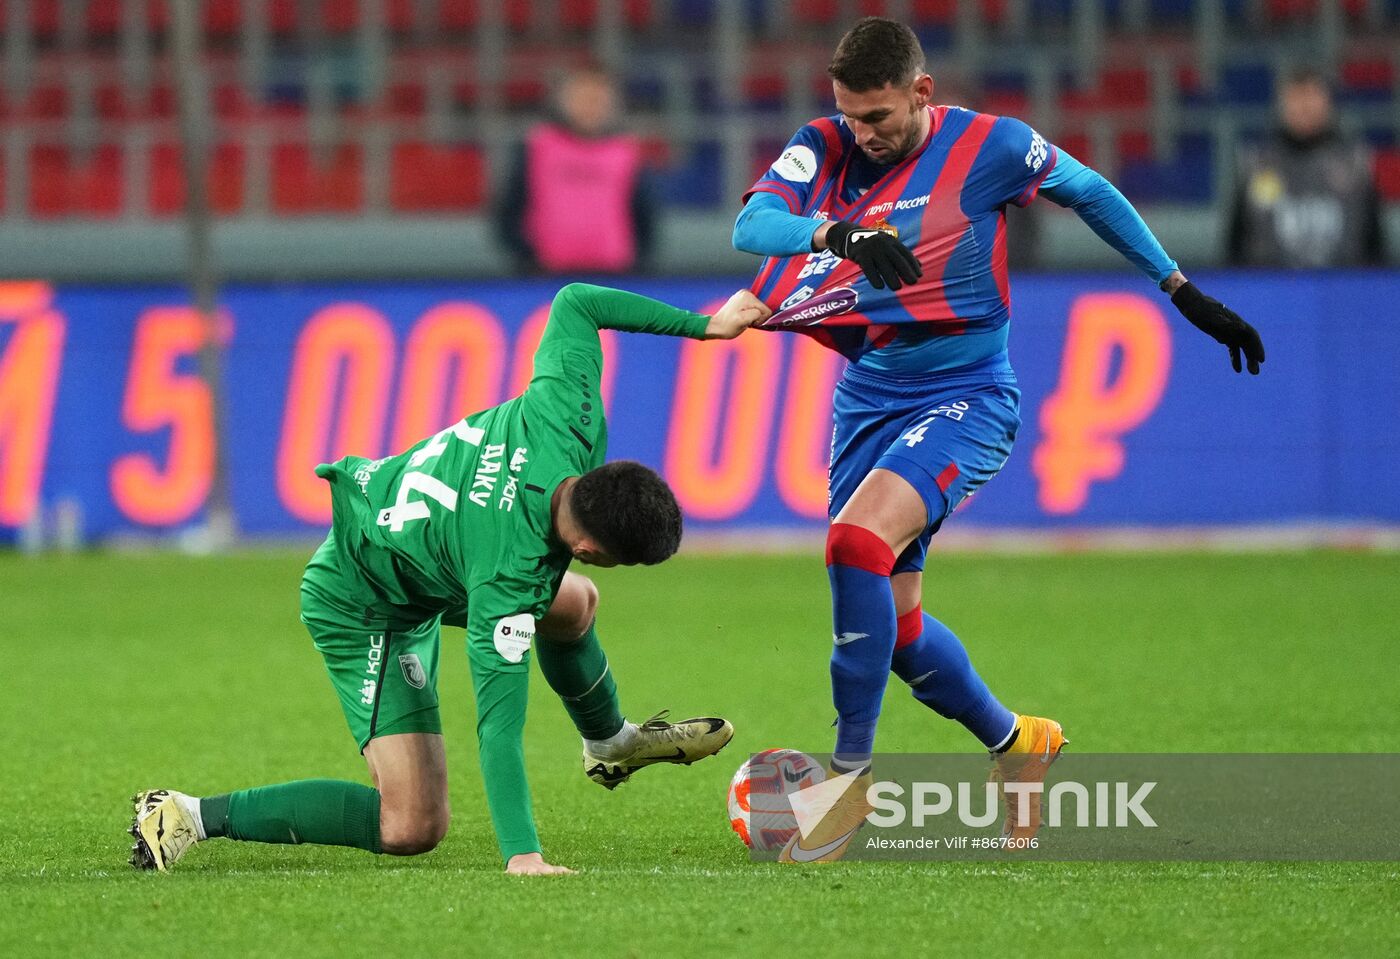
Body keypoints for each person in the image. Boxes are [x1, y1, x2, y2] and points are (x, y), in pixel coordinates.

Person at [732, 17, 1265, 862]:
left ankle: (847, 780)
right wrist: (833, 231)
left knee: (854, 543)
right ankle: (1020, 743)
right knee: (897, 632)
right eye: (849, 115)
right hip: (869, 394)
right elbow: (751, 228)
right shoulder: (823, 144)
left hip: (969, 392)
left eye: (877, 117)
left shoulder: (996, 148)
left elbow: (1090, 191)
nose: (861, 134)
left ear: (922, 92)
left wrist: (1178, 285)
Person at [129, 283, 772, 876]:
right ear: (588, 543)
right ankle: (186, 814)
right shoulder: (508, 581)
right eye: (619, 559)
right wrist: (524, 854)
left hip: (429, 553)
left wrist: (706, 326)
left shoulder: (566, 416)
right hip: (363, 600)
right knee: (413, 824)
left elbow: (578, 303)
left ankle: (611, 742)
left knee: (573, 603)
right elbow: (498, 728)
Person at [493, 66, 656, 274]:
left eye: (598, 100)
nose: (590, 107)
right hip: (546, 275)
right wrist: (526, 257)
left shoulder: (625, 153)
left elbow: (644, 215)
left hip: (613, 276)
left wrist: (639, 265)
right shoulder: (539, 147)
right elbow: (509, 208)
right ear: (563, 100)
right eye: (582, 98)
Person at [1226, 67, 1386, 268]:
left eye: (1311, 96)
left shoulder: (1355, 165)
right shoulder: (1256, 165)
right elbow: (1235, 243)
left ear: (1327, 102)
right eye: (1295, 98)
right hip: (1270, 291)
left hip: (1344, 290)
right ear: (1281, 105)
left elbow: (1374, 243)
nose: (1303, 107)